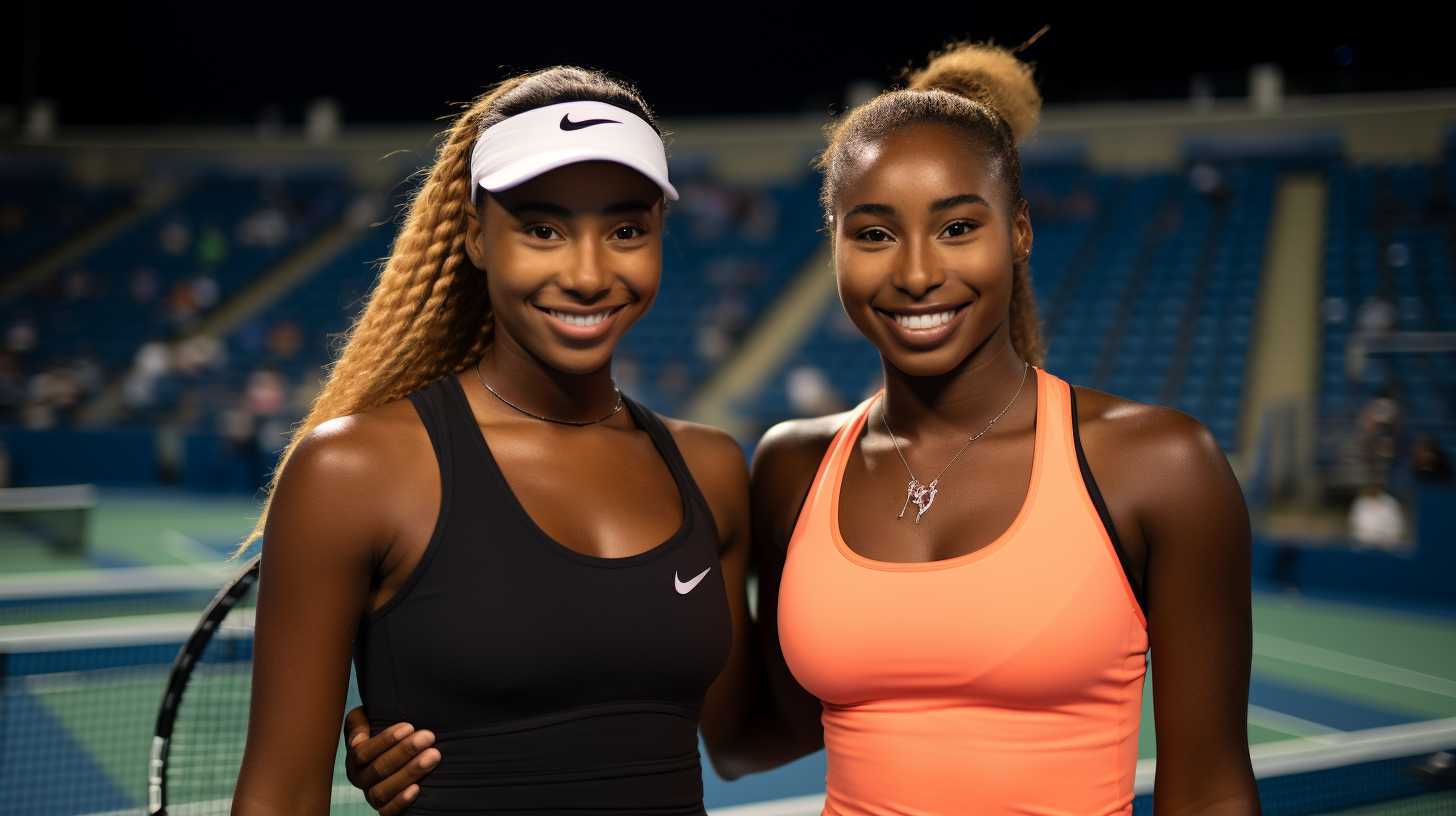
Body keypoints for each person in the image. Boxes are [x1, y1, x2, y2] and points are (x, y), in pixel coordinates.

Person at [352, 43, 1259, 815]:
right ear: (831, 244)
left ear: (1017, 232)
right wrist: (445, 730)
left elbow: (1212, 790)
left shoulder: (1158, 465)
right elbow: (743, 738)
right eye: (873, 233)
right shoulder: (792, 468)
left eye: (957, 228)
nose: (915, 272)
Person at [232, 67, 768, 815]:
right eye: (542, 229)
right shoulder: (355, 470)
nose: (587, 273)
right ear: (476, 237)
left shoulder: (711, 470)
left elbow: (742, 744)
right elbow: (280, 797)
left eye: (625, 230)